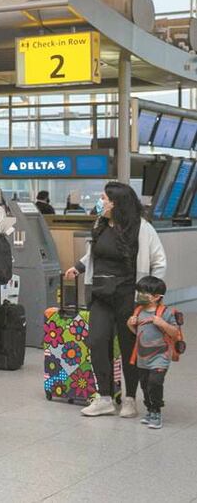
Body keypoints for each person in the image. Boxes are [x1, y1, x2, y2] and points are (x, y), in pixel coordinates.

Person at [64, 181, 166, 419]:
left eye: (104, 198)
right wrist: (78, 267)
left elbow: (159, 261)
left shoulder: (142, 228)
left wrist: (149, 295)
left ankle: (130, 398)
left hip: (129, 296)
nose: (101, 202)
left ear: (117, 203)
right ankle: (105, 398)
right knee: (97, 341)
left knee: (129, 347)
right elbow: (94, 253)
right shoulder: (100, 224)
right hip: (100, 293)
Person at [127, 275, 180, 430]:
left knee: (155, 382)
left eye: (144, 293)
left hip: (160, 356)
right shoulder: (138, 310)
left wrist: (162, 323)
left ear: (157, 297)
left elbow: (175, 333)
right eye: (139, 292)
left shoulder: (166, 312)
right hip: (143, 357)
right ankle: (149, 409)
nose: (139, 296)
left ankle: (156, 411)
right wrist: (131, 324)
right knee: (144, 384)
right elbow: (136, 332)